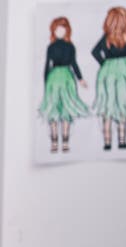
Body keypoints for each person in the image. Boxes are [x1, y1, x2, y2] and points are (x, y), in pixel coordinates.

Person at [38, 16, 88, 153]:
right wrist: (45, 82)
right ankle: (54, 142)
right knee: (53, 110)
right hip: (53, 78)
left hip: (67, 77)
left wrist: (80, 78)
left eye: (62, 28)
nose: (60, 31)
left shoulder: (70, 46)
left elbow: (74, 63)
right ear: (53, 30)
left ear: (67, 30)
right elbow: (47, 65)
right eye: (57, 29)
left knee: (66, 110)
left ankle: (65, 141)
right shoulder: (51, 47)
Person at [92, 7, 126, 150]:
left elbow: (95, 52)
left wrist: (105, 64)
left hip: (109, 73)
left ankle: (107, 142)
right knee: (122, 106)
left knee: (110, 106)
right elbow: (94, 52)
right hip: (122, 72)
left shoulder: (107, 37)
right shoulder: (118, 37)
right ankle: (121, 141)